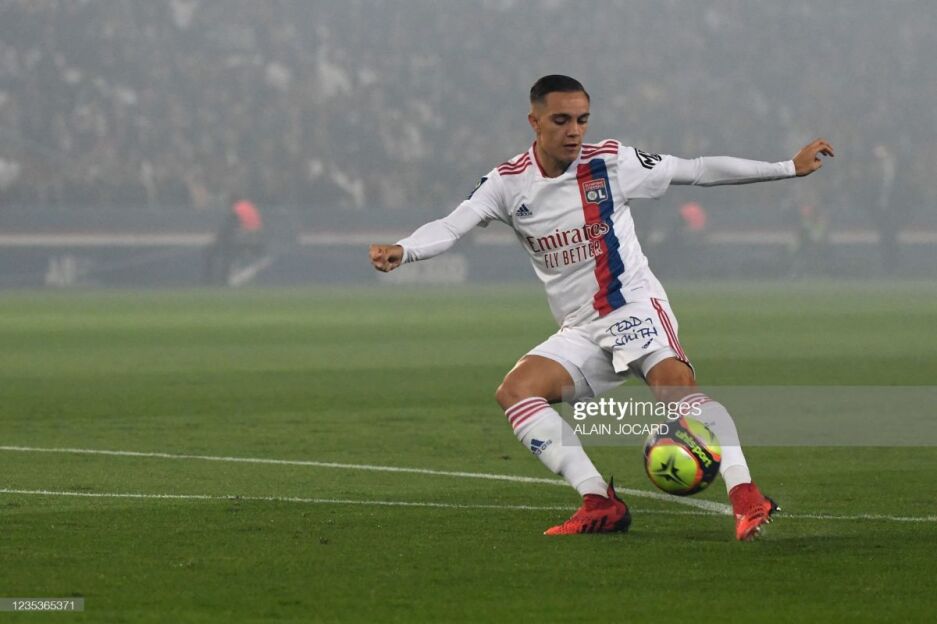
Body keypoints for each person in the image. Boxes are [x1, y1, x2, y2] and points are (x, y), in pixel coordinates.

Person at [369, 75, 834, 540]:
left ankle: (746, 496)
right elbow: (452, 226)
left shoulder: (611, 162)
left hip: (631, 306)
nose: (574, 131)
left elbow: (695, 169)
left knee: (676, 391)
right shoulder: (507, 183)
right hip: (581, 327)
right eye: (561, 120)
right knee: (516, 391)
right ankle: (599, 502)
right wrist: (405, 249)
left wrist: (787, 168)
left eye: (582, 120)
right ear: (534, 122)